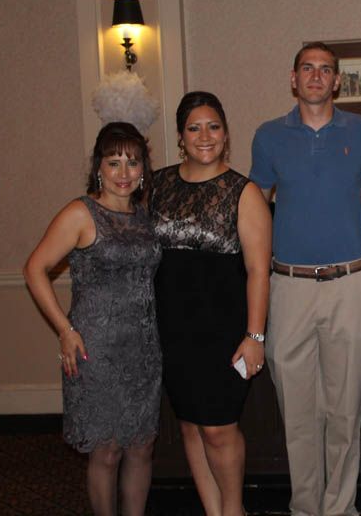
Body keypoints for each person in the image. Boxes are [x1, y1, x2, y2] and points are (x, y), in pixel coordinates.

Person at [250, 42, 361, 516]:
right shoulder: (268, 136)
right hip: (288, 287)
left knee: (344, 409)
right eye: (307, 68)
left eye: (325, 70)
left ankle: (340, 508)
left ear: (336, 82)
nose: (315, 76)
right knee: (298, 414)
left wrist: (354, 215)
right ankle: (306, 507)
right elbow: (256, 202)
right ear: (293, 78)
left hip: (350, 283)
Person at [23, 122, 161, 516]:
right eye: (113, 162)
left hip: (144, 350)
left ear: (143, 169)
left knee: (142, 446)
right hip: (95, 350)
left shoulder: (144, 216)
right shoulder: (81, 213)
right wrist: (64, 331)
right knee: (107, 451)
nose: (123, 173)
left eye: (132, 163)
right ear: (98, 167)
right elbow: (35, 269)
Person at [152, 91, 271, 516]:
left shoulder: (244, 191)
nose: (205, 136)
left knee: (219, 429)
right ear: (181, 136)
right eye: (194, 128)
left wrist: (254, 336)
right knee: (190, 425)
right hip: (172, 330)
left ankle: (232, 510)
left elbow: (259, 271)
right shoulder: (157, 185)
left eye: (214, 126)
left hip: (224, 332)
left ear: (226, 133)